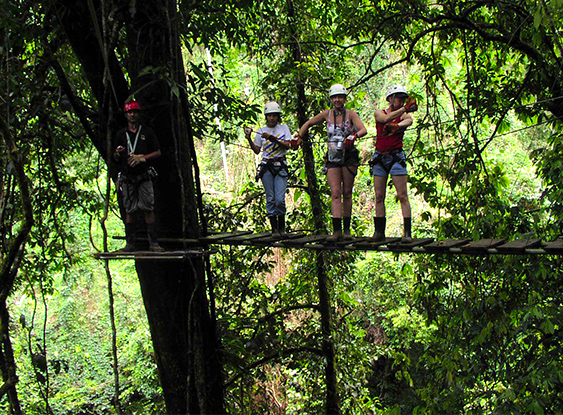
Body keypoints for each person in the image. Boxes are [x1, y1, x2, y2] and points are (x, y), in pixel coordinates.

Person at [297, 84, 367, 242]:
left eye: (340, 97)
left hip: (348, 156)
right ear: (331, 99)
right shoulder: (327, 115)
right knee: (335, 193)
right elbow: (308, 123)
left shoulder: (351, 114)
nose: (337, 100)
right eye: (334, 97)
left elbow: (363, 129)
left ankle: (347, 230)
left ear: (344, 99)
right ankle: (337, 231)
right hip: (333, 156)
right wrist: (299, 137)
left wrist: (354, 136)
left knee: (347, 193)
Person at [113, 99, 164, 252]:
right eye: (129, 112)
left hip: (144, 175)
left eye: (135, 112)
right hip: (128, 177)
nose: (132, 115)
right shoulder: (121, 134)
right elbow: (114, 157)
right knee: (130, 210)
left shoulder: (146, 132)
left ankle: (153, 243)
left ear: (139, 114)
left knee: (148, 207)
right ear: (126, 115)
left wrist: (143, 157)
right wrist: (118, 153)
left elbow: (158, 152)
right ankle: (130, 244)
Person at [370, 84, 418, 242]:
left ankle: (407, 233)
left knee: (403, 195)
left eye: (403, 99)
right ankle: (379, 232)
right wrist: (403, 111)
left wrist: (399, 125)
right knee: (379, 196)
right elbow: (385, 119)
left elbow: (409, 121)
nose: (401, 101)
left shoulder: (402, 116)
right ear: (390, 99)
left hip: (396, 156)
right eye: (399, 98)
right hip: (380, 157)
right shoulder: (380, 113)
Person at [245, 102, 298, 239]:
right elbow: (257, 150)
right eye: (269, 116)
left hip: (280, 165)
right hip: (266, 166)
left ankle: (282, 228)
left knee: (279, 199)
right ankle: (274, 229)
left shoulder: (284, 128)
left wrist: (273, 139)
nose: (272, 118)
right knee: (271, 198)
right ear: (266, 117)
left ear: (278, 117)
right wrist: (249, 138)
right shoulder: (261, 131)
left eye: (274, 116)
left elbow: (287, 145)